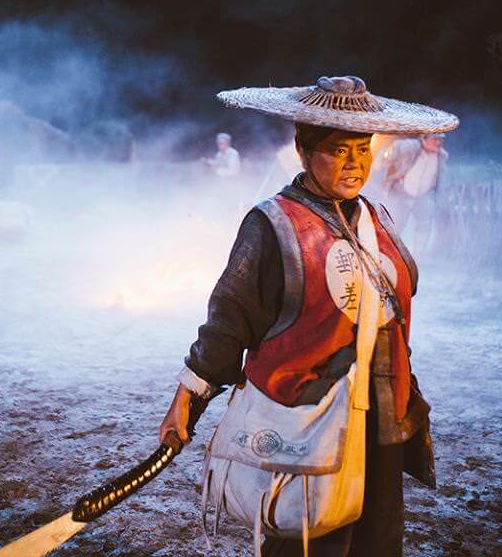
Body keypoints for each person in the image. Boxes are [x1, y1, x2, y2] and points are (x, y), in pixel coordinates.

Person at [159, 76, 457, 556]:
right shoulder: (272, 223)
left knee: (375, 547)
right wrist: (188, 395)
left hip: (380, 420)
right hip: (306, 421)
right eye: (339, 150)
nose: (355, 163)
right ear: (303, 150)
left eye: (363, 149)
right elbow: (230, 317)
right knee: (306, 545)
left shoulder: (374, 217)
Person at [379, 133, 448, 240]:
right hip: (401, 193)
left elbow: (440, 179)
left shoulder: (442, 156)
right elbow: (389, 154)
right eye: (434, 139)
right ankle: (393, 250)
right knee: (396, 225)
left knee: (425, 223)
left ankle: (419, 253)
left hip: (422, 196)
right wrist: (386, 165)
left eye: (441, 139)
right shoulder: (410, 146)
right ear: (424, 139)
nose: (438, 142)